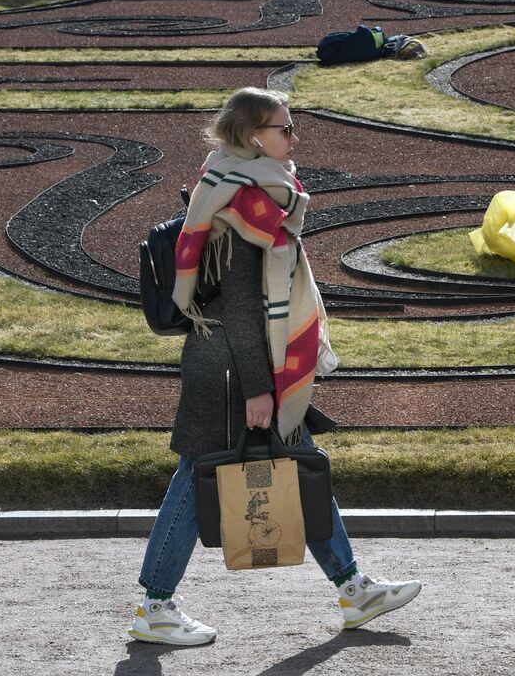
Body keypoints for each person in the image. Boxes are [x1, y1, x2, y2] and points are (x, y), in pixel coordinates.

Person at [129, 87, 420, 646]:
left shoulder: (251, 189)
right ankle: (155, 607)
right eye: (285, 128)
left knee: (299, 462)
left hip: (237, 362)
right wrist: (259, 390)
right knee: (197, 481)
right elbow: (239, 309)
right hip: (235, 370)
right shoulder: (243, 204)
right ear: (252, 135)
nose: (294, 137)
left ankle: (352, 586)